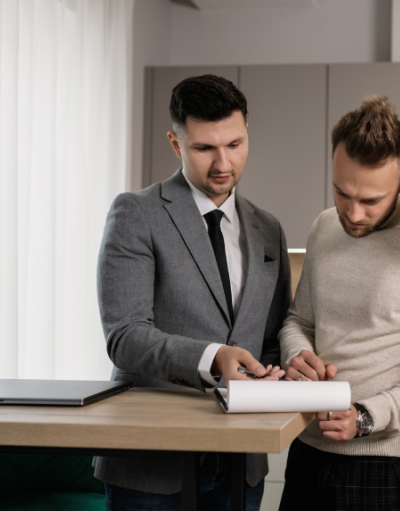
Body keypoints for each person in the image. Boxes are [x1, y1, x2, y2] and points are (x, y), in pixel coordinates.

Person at [95, 74, 291, 511]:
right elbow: (125, 336)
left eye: (235, 145)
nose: (223, 162)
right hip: (150, 463)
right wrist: (214, 357)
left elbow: (272, 337)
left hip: (241, 462)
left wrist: (281, 370)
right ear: (175, 142)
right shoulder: (136, 213)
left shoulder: (269, 229)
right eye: (205, 148)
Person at [277, 96, 400, 510]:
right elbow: (299, 321)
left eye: (371, 201)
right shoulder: (324, 226)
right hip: (306, 450)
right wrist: (299, 355)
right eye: (342, 193)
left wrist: (366, 416)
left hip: (386, 467)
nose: (354, 214)